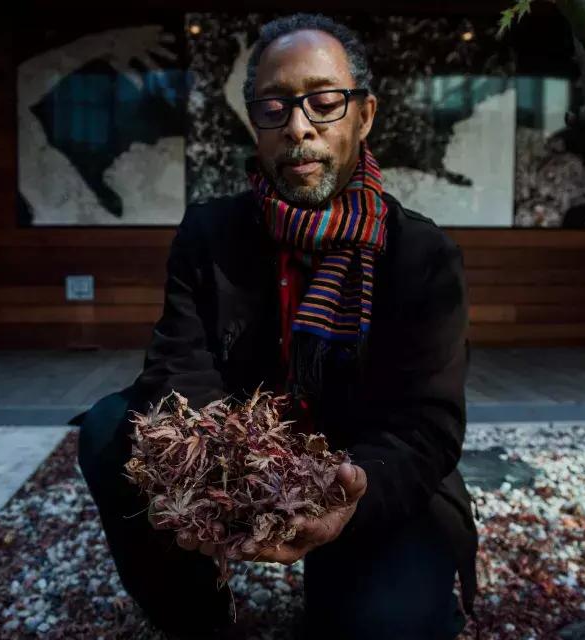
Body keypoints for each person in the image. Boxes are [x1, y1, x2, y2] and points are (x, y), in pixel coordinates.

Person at [77, 13, 478, 640]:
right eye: (273, 108)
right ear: (255, 124)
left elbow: (426, 428)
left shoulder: (421, 257)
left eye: (324, 103)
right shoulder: (211, 234)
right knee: (108, 431)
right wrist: (213, 480)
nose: (298, 128)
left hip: (361, 475)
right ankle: (201, 618)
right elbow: (178, 369)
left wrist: (350, 500)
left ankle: (352, 586)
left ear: (364, 116)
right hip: (241, 457)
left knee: (383, 625)